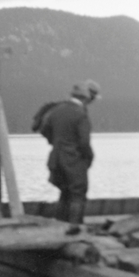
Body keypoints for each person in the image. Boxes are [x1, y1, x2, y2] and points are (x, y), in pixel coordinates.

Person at [39, 80, 100, 225]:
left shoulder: (56, 110)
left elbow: (44, 130)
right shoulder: (80, 114)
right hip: (74, 160)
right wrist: (89, 158)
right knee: (78, 194)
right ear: (85, 98)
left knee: (64, 193)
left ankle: (60, 226)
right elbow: (84, 143)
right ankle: (75, 228)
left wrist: (55, 142)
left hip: (55, 158)